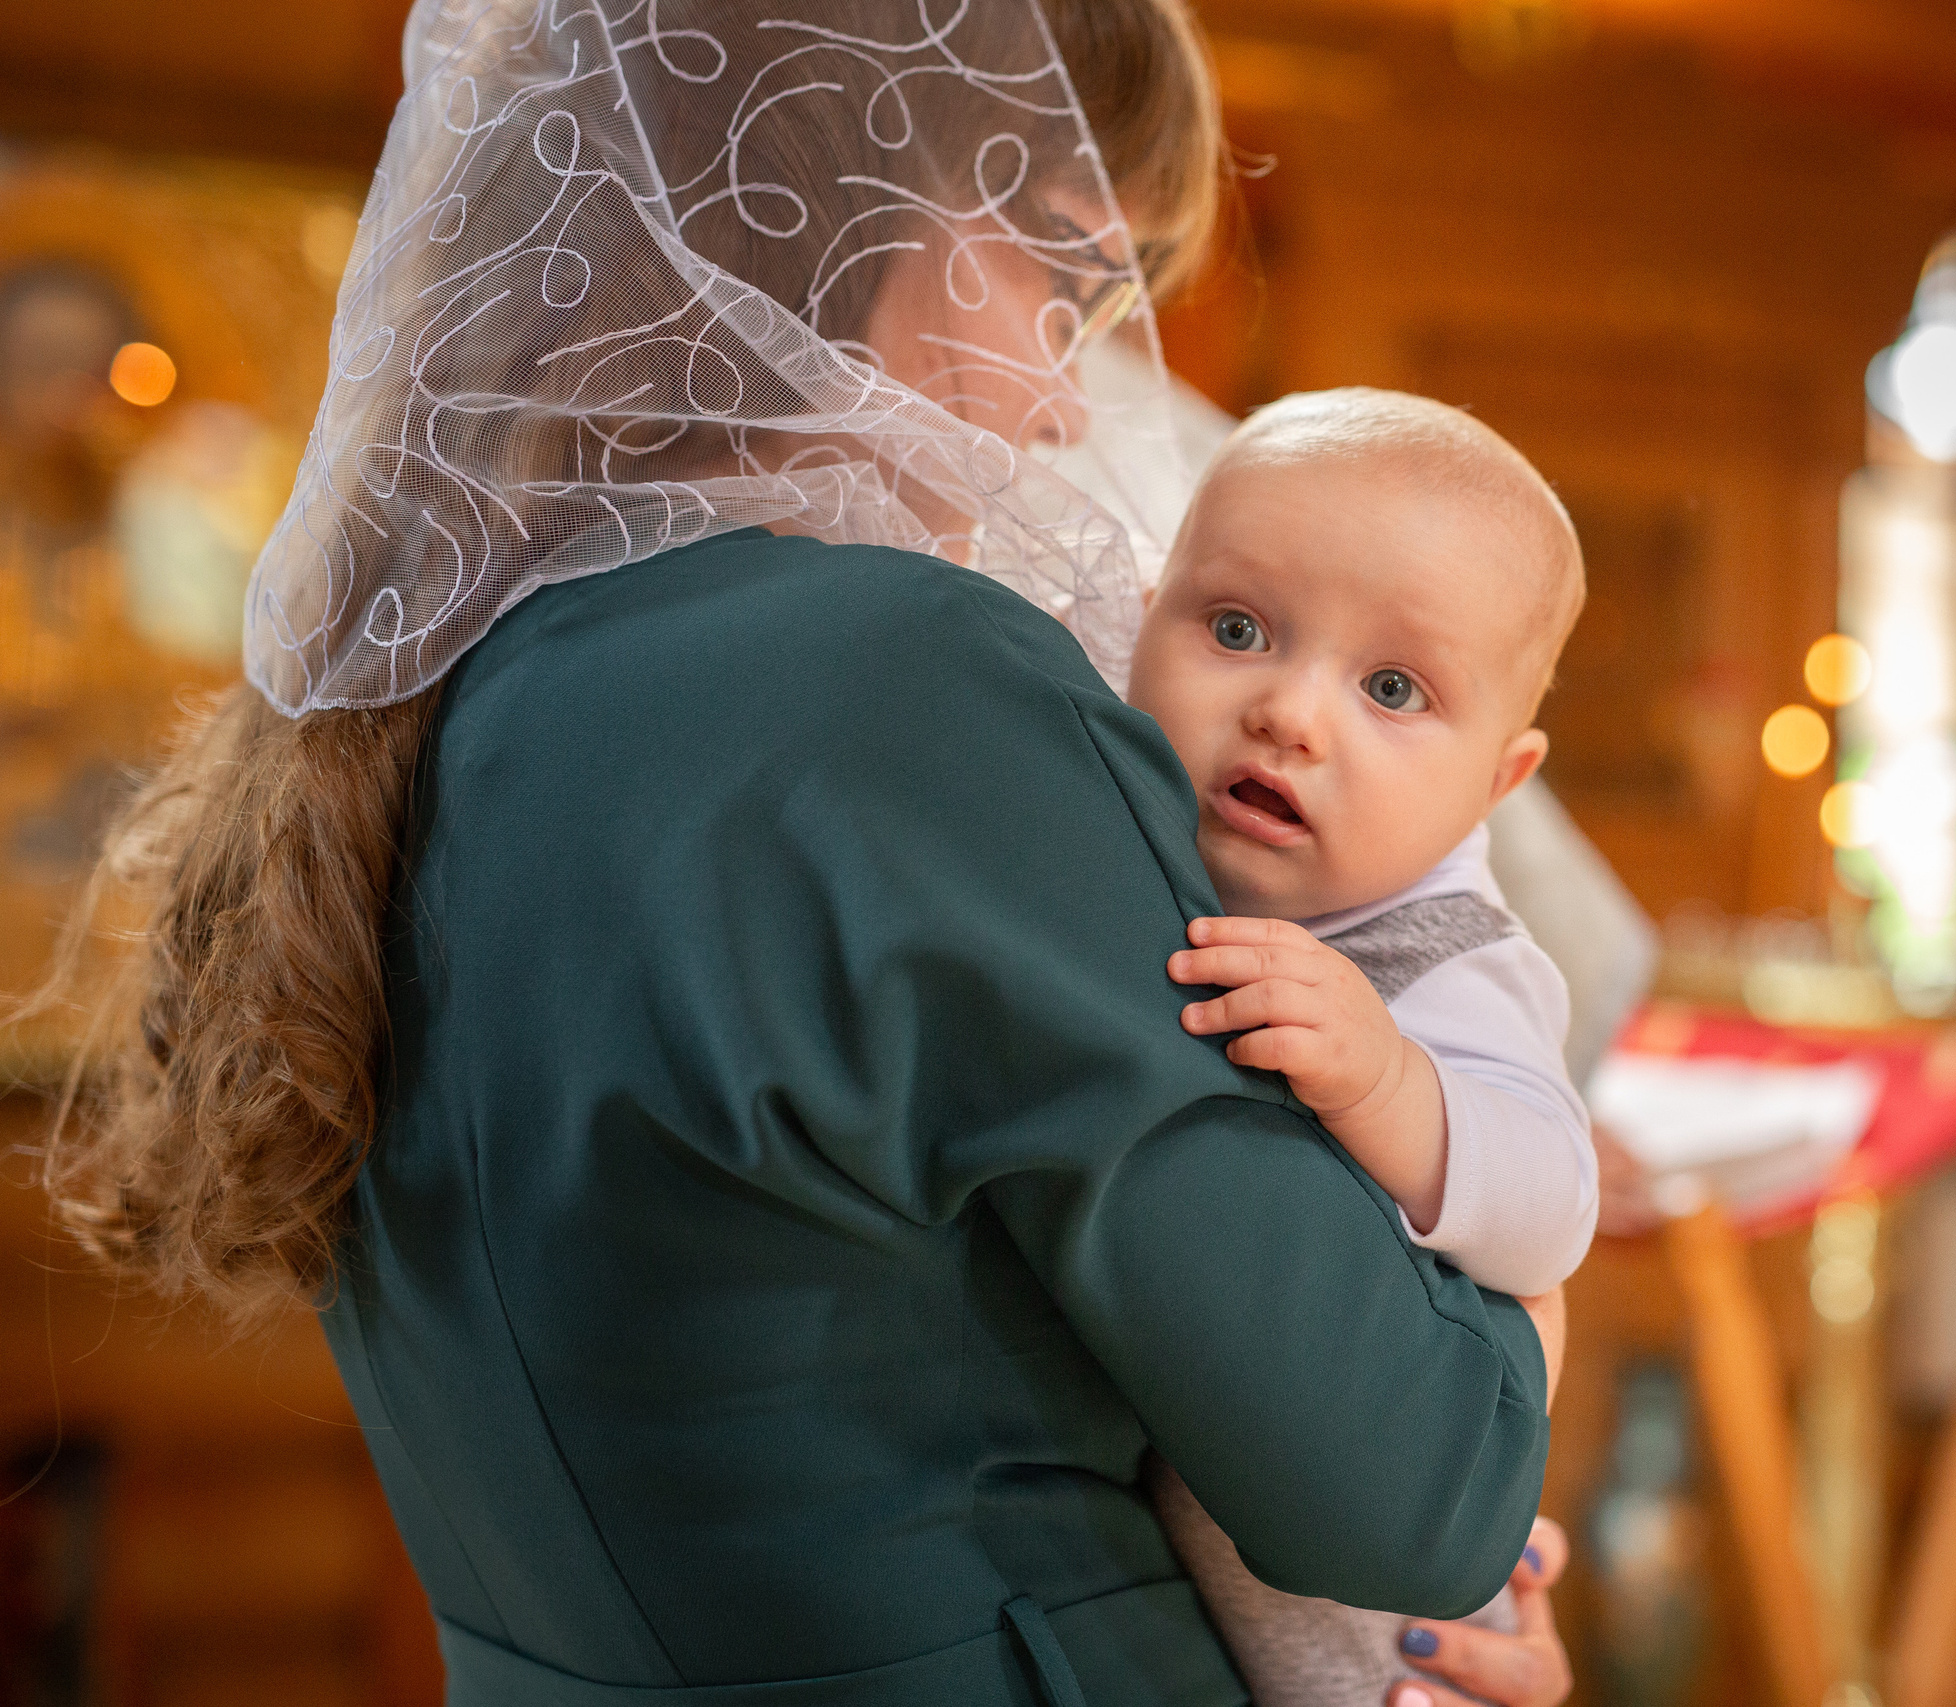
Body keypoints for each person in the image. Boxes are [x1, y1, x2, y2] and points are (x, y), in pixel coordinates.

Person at [30, 2, 1578, 1703]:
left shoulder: (423, 703)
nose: (1068, 409)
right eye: (1061, 279)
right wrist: (1495, 1411)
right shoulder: (914, 686)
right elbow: (1416, 1486)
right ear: (841, 200)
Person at [1124, 389, 1595, 1707]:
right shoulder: (1145, 863)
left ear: (1498, 781)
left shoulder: (1451, 955)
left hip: (1374, 1626)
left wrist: (1389, 1076)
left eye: (1392, 687)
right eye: (1235, 629)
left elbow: (1550, 1207)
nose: (1289, 710)